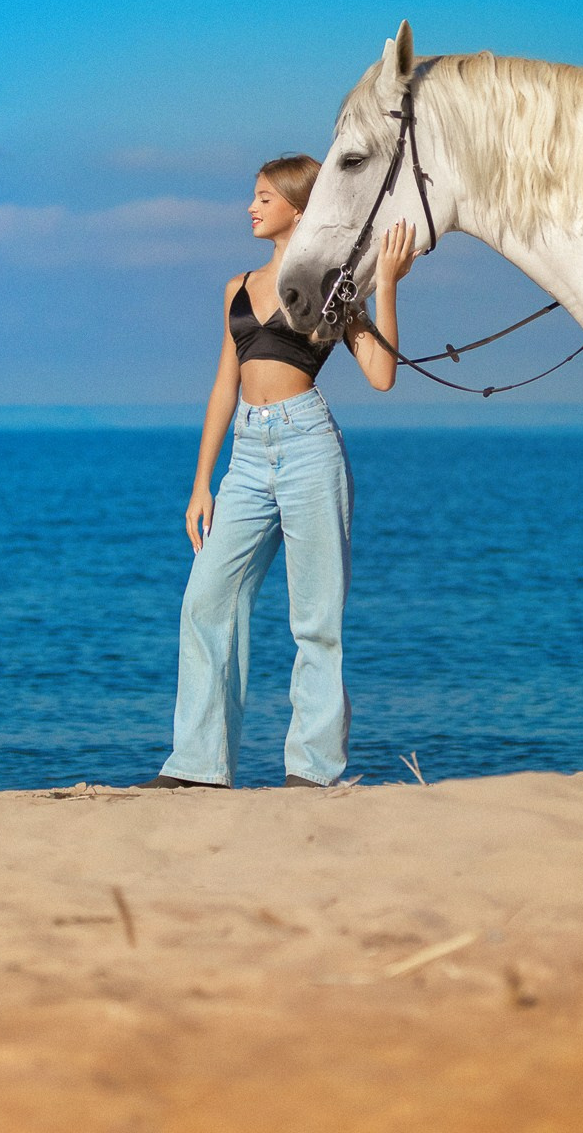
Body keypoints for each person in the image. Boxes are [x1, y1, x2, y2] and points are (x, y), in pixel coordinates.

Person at [141, 154, 416, 789]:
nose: (251, 206)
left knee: (316, 617)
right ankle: (197, 767)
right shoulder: (237, 286)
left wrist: (390, 285)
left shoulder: (331, 286)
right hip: (244, 455)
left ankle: (313, 771)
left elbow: (381, 374)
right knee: (206, 598)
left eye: (264, 196)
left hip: (308, 445)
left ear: (297, 205)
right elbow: (221, 387)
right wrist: (200, 482)